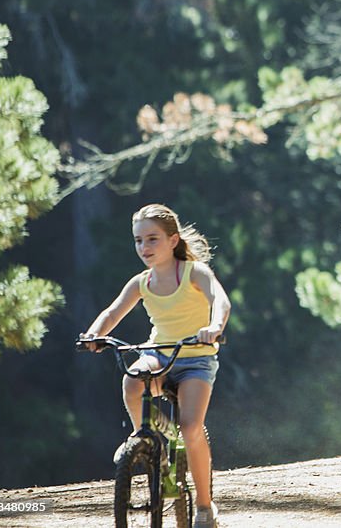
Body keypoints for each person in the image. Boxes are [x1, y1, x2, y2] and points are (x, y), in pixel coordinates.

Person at [81, 204, 230, 528]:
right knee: (133, 381)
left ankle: (204, 507)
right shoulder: (141, 282)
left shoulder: (194, 272)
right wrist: (95, 334)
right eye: (138, 241)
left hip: (196, 360)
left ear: (173, 240)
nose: (144, 248)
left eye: (152, 239)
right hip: (159, 354)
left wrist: (215, 325)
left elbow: (220, 300)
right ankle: (146, 440)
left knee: (191, 428)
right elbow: (112, 312)